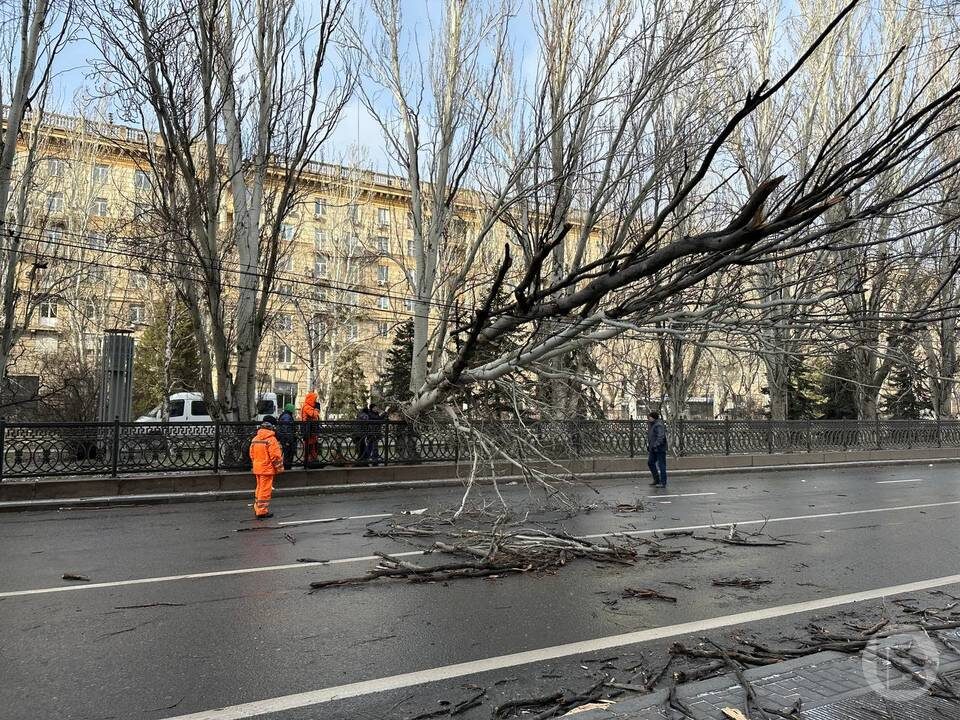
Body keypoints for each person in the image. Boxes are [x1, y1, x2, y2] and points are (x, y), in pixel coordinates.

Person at [249, 415, 283, 519]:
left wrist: (256, 463)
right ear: (271, 428)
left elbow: (251, 454)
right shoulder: (271, 440)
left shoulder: (255, 439)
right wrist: (279, 468)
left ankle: (257, 507)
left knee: (259, 488)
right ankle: (262, 511)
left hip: (258, 467)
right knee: (265, 490)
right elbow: (275, 456)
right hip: (267, 469)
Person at [646, 411, 668, 489]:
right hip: (653, 448)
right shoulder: (652, 425)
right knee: (650, 463)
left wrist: (655, 445)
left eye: (649, 417)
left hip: (659, 448)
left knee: (661, 465)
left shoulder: (658, 425)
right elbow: (652, 437)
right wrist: (650, 445)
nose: (648, 418)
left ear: (653, 417)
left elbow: (660, 437)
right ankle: (657, 480)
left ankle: (663, 482)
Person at [301, 391, 320, 467]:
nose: (315, 402)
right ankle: (309, 461)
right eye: (314, 400)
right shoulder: (306, 407)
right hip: (308, 430)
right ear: (311, 400)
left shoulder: (307, 406)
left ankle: (312, 460)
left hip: (311, 429)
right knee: (309, 446)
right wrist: (317, 409)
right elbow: (314, 414)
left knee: (312, 446)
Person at [277, 402, 297, 470]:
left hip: (284, 438)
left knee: (287, 453)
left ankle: (287, 466)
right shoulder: (287, 417)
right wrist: (288, 440)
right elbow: (286, 429)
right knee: (288, 453)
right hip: (287, 439)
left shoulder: (285, 415)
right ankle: (287, 467)